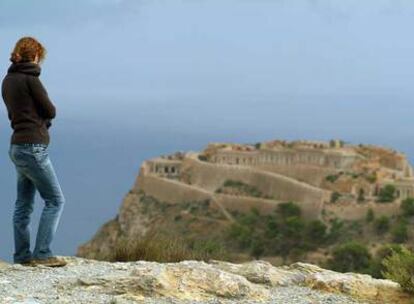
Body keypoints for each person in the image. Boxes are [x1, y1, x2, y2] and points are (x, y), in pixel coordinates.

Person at [1, 37, 67, 267]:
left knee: (23, 206)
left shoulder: (7, 80)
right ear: (37, 56)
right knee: (55, 200)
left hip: (16, 146)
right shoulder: (32, 80)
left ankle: (22, 257)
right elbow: (50, 110)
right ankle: (42, 254)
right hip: (33, 147)